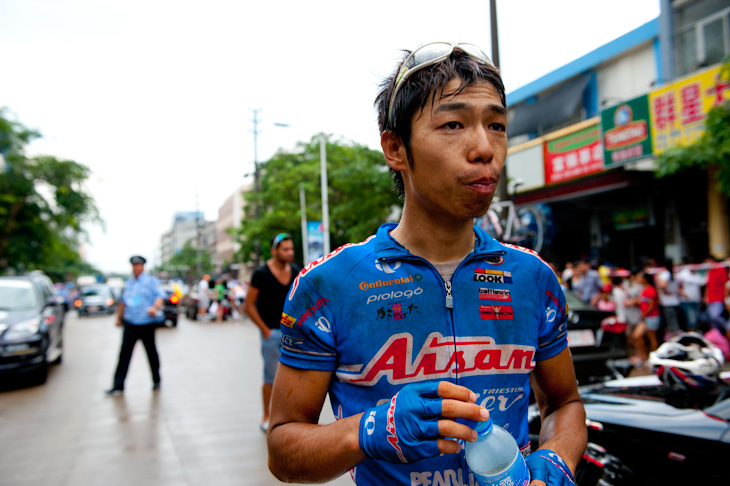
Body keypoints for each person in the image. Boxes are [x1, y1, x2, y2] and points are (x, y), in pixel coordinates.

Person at [267, 42, 585, 486]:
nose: (484, 148)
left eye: (496, 125)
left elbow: (565, 403)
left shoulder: (532, 277)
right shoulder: (330, 285)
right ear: (396, 148)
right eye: (453, 124)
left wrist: (556, 462)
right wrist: (370, 430)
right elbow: (283, 450)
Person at [244, 233, 300, 432]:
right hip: (272, 333)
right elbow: (249, 305)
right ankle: (267, 416)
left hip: (293, 333)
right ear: (274, 251)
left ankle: (290, 416)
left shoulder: (295, 271)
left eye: (291, 249)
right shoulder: (261, 273)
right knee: (271, 377)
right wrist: (265, 330)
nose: (290, 253)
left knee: (294, 377)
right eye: (285, 249)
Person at [106, 256, 166, 395]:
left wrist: (154, 308)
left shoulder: (151, 281)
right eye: (134, 265)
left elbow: (160, 296)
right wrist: (118, 318)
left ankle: (156, 380)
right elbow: (123, 302)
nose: (136, 267)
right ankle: (118, 385)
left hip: (146, 322)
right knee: (124, 354)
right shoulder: (129, 283)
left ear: (143, 266)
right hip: (131, 322)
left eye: (138, 265)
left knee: (151, 353)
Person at [633, 271, 661, 362]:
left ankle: (654, 358)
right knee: (637, 336)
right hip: (645, 317)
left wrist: (644, 314)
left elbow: (651, 305)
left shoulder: (651, 289)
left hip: (651, 316)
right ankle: (643, 356)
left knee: (652, 338)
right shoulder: (643, 289)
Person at [676, 257, 705, 331]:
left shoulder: (698, 275)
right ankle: (691, 336)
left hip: (697, 300)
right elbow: (677, 287)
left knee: (696, 320)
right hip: (687, 301)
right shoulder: (683, 274)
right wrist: (684, 294)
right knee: (691, 320)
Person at [655, 258, 681, 337]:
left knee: (672, 325)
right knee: (674, 323)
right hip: (675, 301)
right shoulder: (674, 274)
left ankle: (675, 341)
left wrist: (658, 282)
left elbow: (662, 285)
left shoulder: (665, 274)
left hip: (668, 303)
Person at [704, 255, 728, 331]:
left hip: (719, 297)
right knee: (712, 319)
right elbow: (708, 285)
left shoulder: (721, 269)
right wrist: (705, 296)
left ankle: (727, 327)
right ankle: (717, 335)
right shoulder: (709, 271)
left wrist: (725, 297)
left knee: (715, 316)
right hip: (710, 298)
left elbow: (725, 284)